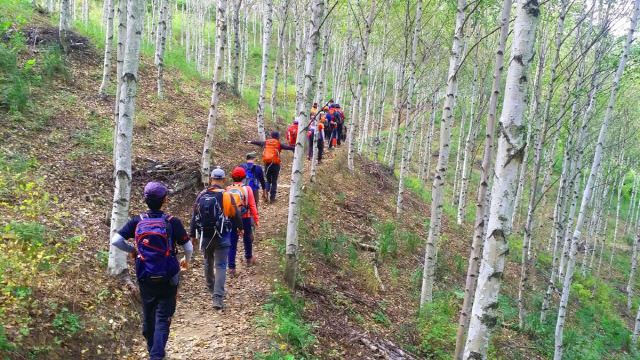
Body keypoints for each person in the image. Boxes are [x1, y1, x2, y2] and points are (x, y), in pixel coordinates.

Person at [110, 182, 193, 360]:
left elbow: (116, 241)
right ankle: (156, 355)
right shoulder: (172, 222)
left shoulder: (137, 221)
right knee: (163, 318)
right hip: (168, 276)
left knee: (148, 315)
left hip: (145, 275)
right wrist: (186, 259)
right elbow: (188, 247)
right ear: (164, 200)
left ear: (146, 200)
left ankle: (151, 349)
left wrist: (132, 250)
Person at [189, 167, 243, 310]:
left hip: (205, 236)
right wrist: (240, 228)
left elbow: (194, 216)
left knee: (208, 260)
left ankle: (211, 287)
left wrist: (192, 235)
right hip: (222, 235)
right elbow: (235, 213)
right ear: (224, 180)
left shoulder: (201, 195)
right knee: (220, 265)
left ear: (211, 179)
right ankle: (217, 297)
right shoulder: (226, 195)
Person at [226, 167, 260, 276]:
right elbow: (252, 205)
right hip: (245, 217)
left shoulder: (228, 188)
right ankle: (249, 257)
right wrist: (256, 218)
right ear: (244, 177)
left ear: (233, 177)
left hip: (231, 218)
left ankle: (231, 268)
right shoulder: (247, 188)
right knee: (247, 238)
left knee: (232, 242)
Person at [245, 131, 294, 203]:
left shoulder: (266, 142)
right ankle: (272, 198)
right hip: (275, 164)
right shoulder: (278, 144)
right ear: (278, 137)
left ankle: (266, 193)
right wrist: (295, 147)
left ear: (271, 136)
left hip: (267, 164)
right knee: (274, 181)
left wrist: (249, 141)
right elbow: (288, 147)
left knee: (268, 180)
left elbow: (257, 142)